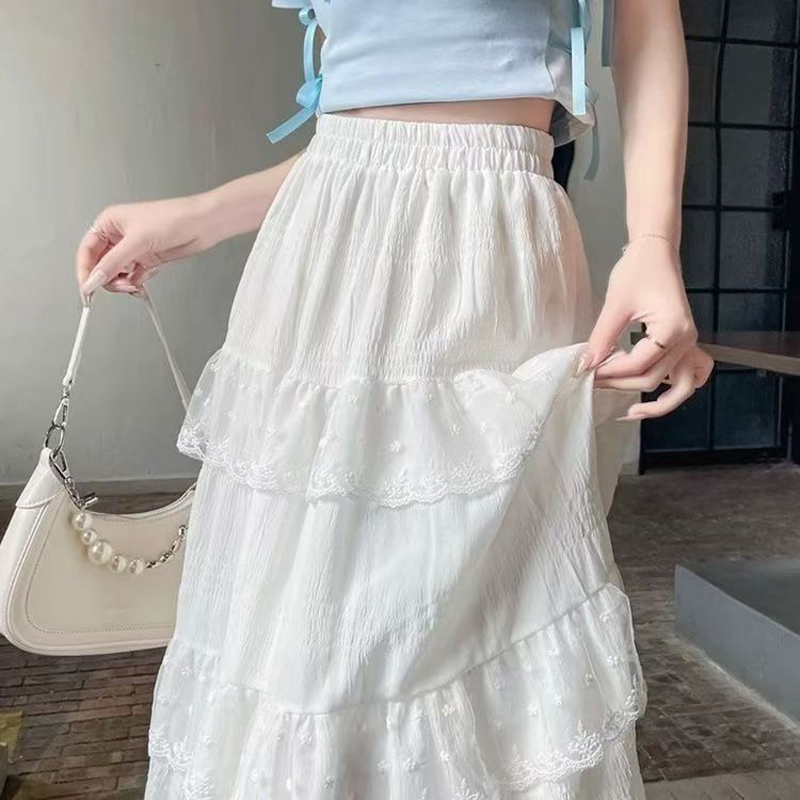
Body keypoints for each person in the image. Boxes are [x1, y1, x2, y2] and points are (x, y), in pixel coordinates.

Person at [76, 0, 713, 797]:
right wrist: (198, 219)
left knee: (476, 647)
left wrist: (654, 240)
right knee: (298, 647)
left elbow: (646, 17)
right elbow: (364, 135)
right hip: (319, 262)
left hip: (492, 259)